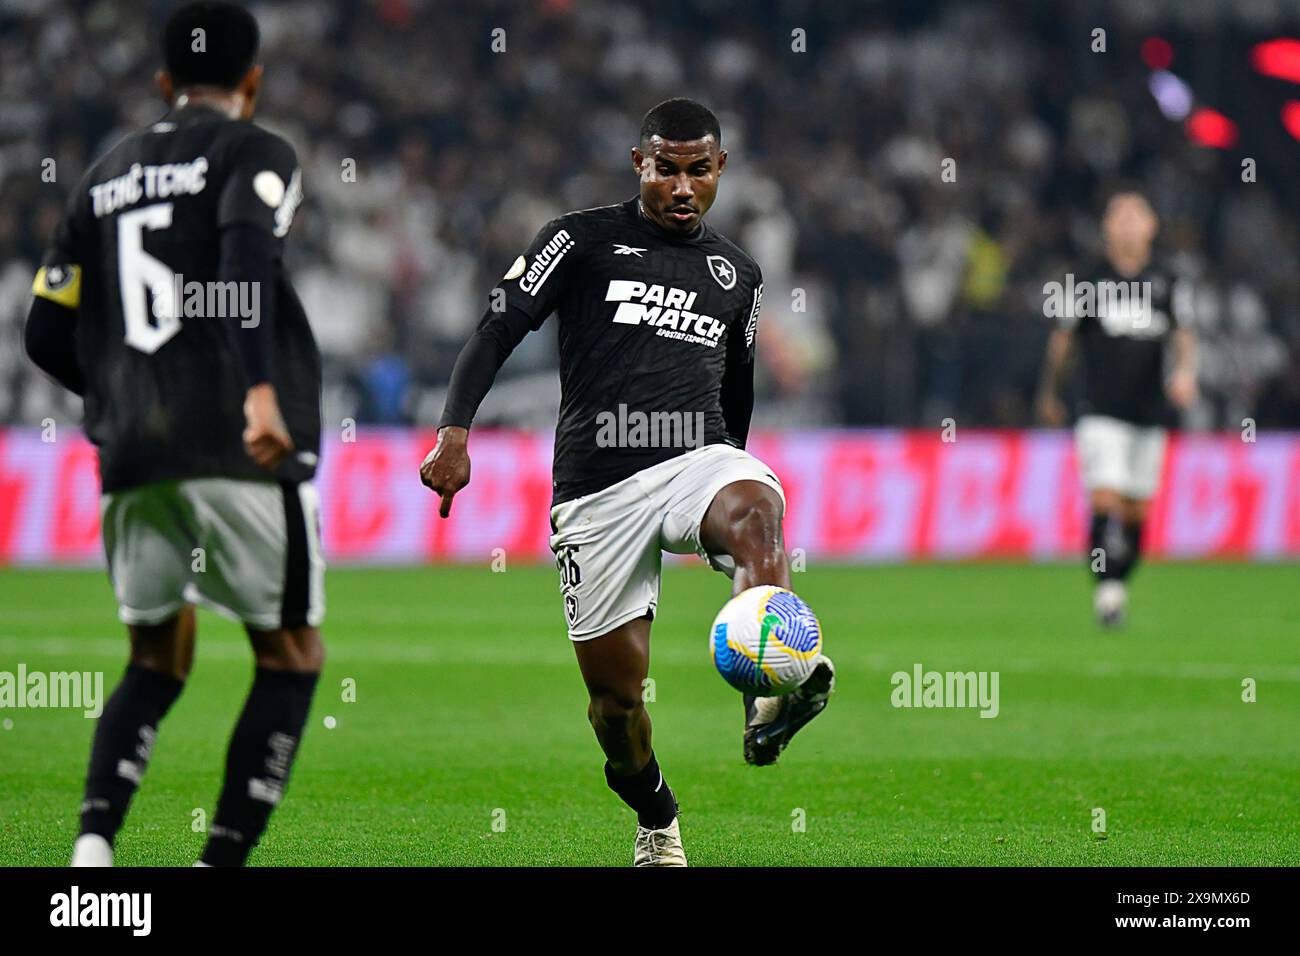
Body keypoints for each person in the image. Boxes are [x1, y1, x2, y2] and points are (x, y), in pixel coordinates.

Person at [419, 98, 834, 866]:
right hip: (597, 487)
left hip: (693, 459)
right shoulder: (578, 240)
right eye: (667, 170)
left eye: (698, 171)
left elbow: (736, 390)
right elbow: (498, 326)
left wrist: (729, 473)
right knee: (616, 706)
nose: (682, 187)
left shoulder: (737, 274)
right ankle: (657, 816)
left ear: (720, 171)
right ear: (639, 164)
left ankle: (769, 692)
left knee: (756, 514)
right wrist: (454, 431)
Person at [24, 0, 325, 866]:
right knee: (294, 653)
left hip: (133, 450)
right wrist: (260, 392)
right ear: (254, 82)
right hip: (237, 440)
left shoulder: (104, 174)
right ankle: (219, 861)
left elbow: (45, 331)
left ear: (164, 83)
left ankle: (92, 851)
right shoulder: (255, 148)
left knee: (156, 655)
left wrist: (119, 390)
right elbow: (244, 256)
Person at [1037, 187, 1197, 626]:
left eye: (1136, 215)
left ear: (1151, 226)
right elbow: (1063, 340)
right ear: (1106, 227)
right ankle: (1107, 592)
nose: (1127, 223)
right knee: (1105, 497)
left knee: (1138, 512)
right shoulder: (1084, 279)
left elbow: (1184, 335)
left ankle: (1116, 585)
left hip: (1149, 411)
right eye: (1118, 215)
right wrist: (1049, 392)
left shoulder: (1170, 280)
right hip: (1099, 409)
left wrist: (1186, 373)